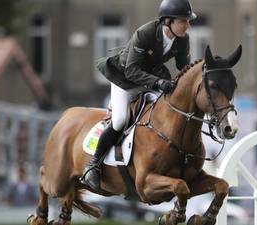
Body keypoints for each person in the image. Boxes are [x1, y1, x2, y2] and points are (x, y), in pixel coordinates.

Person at [82, 0, 196, 190]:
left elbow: (183, 68)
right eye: (184, 21)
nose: (188, 25)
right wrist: (159, 82)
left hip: (151, 77)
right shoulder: (146, 33)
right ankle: (93, 165)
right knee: (120, 120)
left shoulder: (182, 38)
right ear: (167, 21)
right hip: (124, 78)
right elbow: (131, 71)